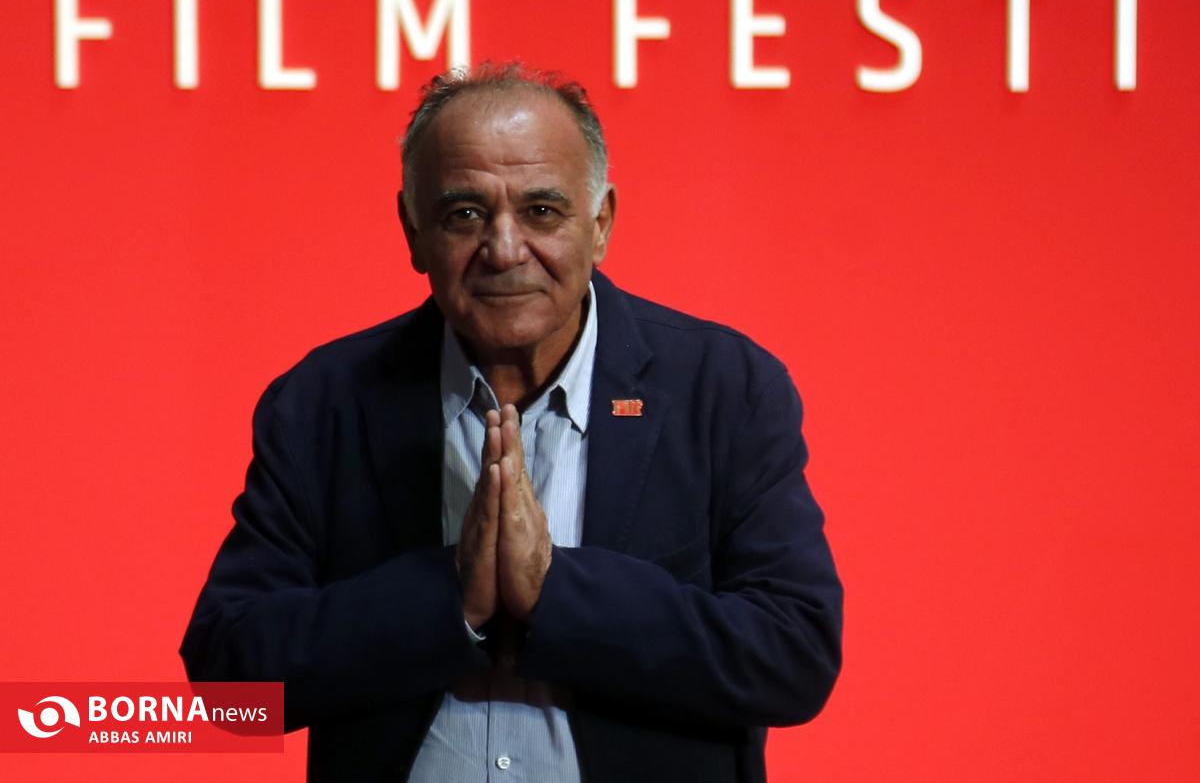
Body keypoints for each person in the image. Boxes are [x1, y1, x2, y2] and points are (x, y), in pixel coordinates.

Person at [180, 64, 843, 782]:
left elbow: (793, 655)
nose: (503, 249)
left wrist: (557, 592)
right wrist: (446, 598)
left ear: (601, 224)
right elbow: (230, 686)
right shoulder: (324, 401)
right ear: (411, 229)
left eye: (542, 212)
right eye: (465, 214)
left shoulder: (725, 389)